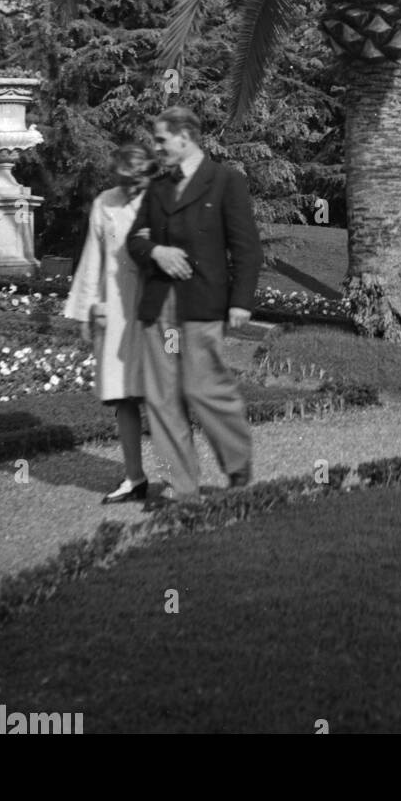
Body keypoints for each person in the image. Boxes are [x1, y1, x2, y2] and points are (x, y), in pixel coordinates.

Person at [126, 106, 262, 501]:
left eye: (161, 140)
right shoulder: (158, 188)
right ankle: (180, 486)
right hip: (160, 310)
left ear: (185, 138)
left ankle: (237, 462)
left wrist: (241, 302)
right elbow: (134, 240)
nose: (156, 148)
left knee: (205, 388)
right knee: (162, 400)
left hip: (202, 303)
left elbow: (247, 249)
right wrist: (156, 252)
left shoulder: (225, 182)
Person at [63, 141, 153, 504]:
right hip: (114, 309)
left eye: (138, 181)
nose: (132, 189)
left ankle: (180, 478)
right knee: (123, 396)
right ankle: (134, 478)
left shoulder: (163, 201)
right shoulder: (105, 203)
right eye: (126, 182)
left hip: (155, 308)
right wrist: (88, 308)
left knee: (163, 396)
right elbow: (93, 257)